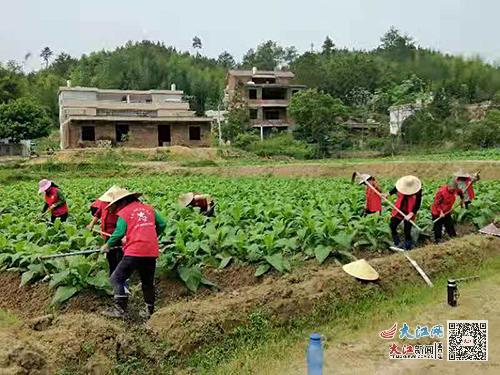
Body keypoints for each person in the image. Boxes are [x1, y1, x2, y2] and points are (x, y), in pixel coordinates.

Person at [101, 188, 166, 319]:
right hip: (151, 250)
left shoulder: (124, 212)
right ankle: (150, 312)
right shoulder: (149, 209)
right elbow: (162, 224)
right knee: (147, 282)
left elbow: (119, 233)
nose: (116, 207)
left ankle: (120, 310)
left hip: (135, 251)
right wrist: (152, 236)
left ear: (122, 201)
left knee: (116, 278)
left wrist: (107, 245)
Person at [87, 186, 123, 276]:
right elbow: (98, 214)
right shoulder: (103, 203)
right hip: (107, 234)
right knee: (111, 256)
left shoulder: (122, 206)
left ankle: (121, 276)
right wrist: (91, 224)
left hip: (119, 235)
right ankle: (112, 273)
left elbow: (124, 225)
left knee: (120, 255)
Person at [388, 175, 422, 250]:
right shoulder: (401, 185)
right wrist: (388, 194)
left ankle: (408, 245)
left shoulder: (418, 190)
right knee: (392, 225)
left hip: (410, 210)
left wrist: (412, 213)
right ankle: (397, 242)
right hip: (400, 208)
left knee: (407, 230)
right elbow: (395, 189)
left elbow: (418, 203)